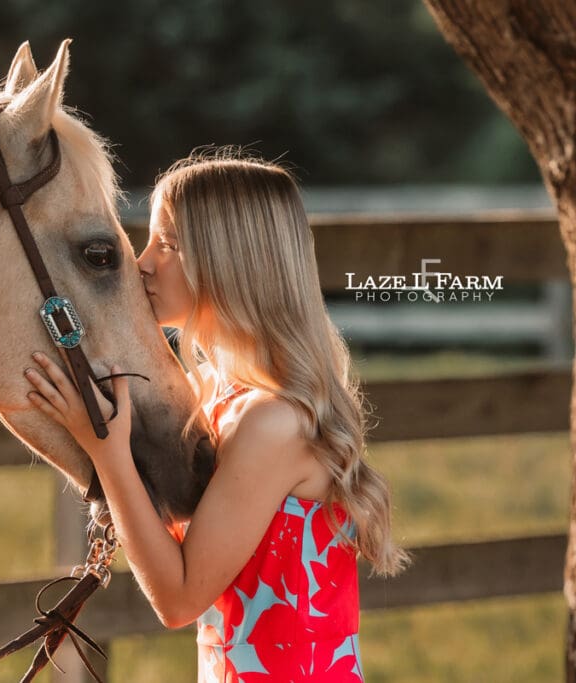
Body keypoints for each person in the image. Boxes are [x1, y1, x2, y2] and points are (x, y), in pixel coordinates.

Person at [23, 151, 409, 682]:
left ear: (233, 263)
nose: (143, 262)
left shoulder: (274, 425)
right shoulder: (220, 398)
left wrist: (108, 454)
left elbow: (179, 599)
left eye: (171, 245)